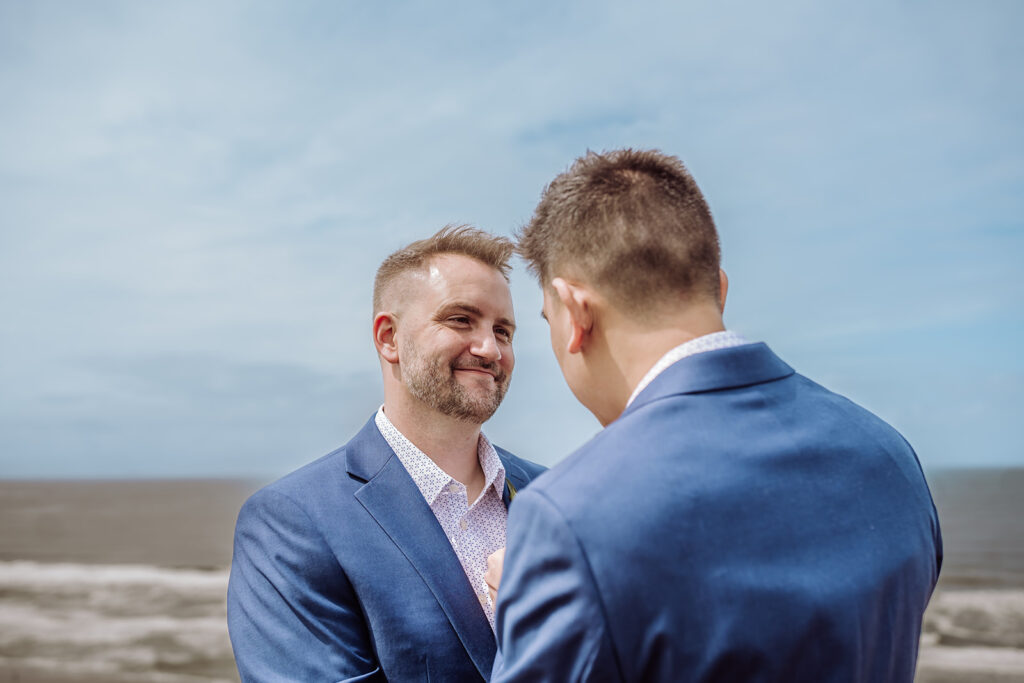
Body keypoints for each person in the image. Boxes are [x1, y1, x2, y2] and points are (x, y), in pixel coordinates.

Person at [489, 150, 942, 682]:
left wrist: (520, 617)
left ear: (576, 312)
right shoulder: (890, 454)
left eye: (547, 318)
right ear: (719, 289)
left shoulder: (567, 518)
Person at [227, 225, 546, 682]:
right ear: (388, 338)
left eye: (503, 330)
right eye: (460, 320)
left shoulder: (555, 493)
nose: (489, 349)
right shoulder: (292, 522)